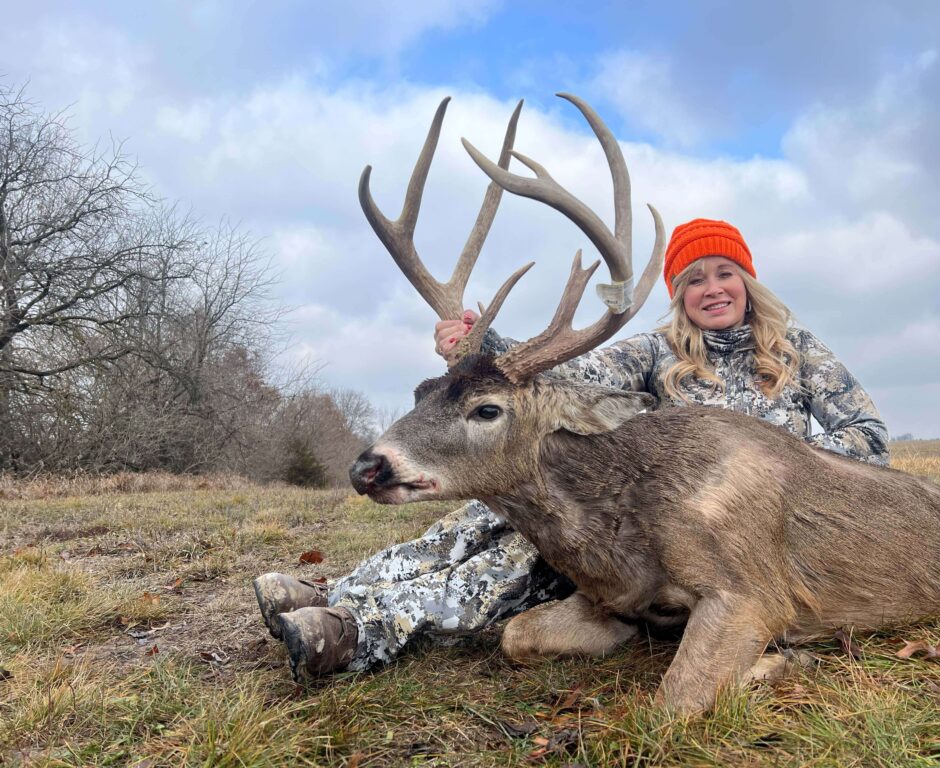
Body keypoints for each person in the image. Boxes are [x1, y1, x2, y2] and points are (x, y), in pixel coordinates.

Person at [254, 218, 890, 681]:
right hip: (646, 510)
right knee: (496, 509)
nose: (713, 288)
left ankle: (360, 629)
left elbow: (869, 440)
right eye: (695, 278)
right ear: (678, 293)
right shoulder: (653, 350)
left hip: (748, 526)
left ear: (748, 280)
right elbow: (557, 389)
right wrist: (481, 344)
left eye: (726, 273)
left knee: (516, 559)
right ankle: (339, 592)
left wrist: (777, 462)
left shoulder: (800, 354)